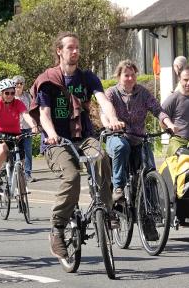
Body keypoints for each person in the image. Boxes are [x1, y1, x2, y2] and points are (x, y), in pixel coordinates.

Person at [28, 32, 125, 259]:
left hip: (83, 137)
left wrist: (113, 121)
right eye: (70, 47)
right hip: (57, 141)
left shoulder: (87, 78)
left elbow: (104, 101)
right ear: (59, 51)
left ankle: (106, 209)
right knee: (72, 176)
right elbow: (44, 114)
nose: (75, 51)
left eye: (77, 47)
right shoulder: (48, 80)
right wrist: (51, 135)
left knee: (101, 157)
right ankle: (57, 229)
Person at [104, 59, 168, 204]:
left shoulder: (142, 93)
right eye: (126, 75)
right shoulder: (112, 93)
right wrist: (111, 123)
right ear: (119, 76)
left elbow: (157, 109)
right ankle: (118, 187)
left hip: (139, 138)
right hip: (118, 136)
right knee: (122, 147)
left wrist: (169, 123)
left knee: (150, 165)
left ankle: (152, 206)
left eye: (133, 75)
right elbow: (105, 112)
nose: (130, 78)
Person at [0, 78, 38, 190]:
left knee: (21, 161)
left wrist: (33, 126)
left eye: (12, 93)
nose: (10, 95)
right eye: (7, 93)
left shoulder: (18, 103)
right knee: (3, 149)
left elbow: (25, 115)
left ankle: (22, 194)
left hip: (15, 134)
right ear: (1, 93)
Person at [12, 75, 35, 182]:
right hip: (15, 128)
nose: (19, 86)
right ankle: (16, 172)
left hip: (26, 127)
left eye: (21, 83)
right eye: (16, 84)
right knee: (16, 151)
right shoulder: (10, 97)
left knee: (28, 151)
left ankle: (28, 174)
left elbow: (31, 111)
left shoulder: (27, 96)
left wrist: (34, 124)